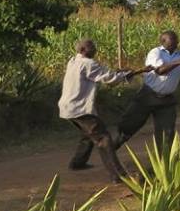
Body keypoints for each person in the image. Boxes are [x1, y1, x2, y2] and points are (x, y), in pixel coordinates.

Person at [58, 39, 138, 183]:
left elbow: (103, 74)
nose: (95, 50)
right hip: (79, 109)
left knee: (88, 135)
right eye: (91, 48)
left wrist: (119, 73)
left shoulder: (73, 61)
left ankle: (78, 163)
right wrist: (131, 73)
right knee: (103, 139)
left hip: (67, 107)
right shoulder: (88, 63)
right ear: (83, 50)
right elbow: (109, 78)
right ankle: (117, 175)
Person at [115, 31, 180, 151]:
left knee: (166, 134)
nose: (177, 42)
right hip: (148, 95)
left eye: (177, 40)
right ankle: (112, 146)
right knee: (129, 125)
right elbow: (160, 70)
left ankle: (164, 164)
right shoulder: (156, 53)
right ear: (163, 42)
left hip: (167, 99)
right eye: (173, 40)